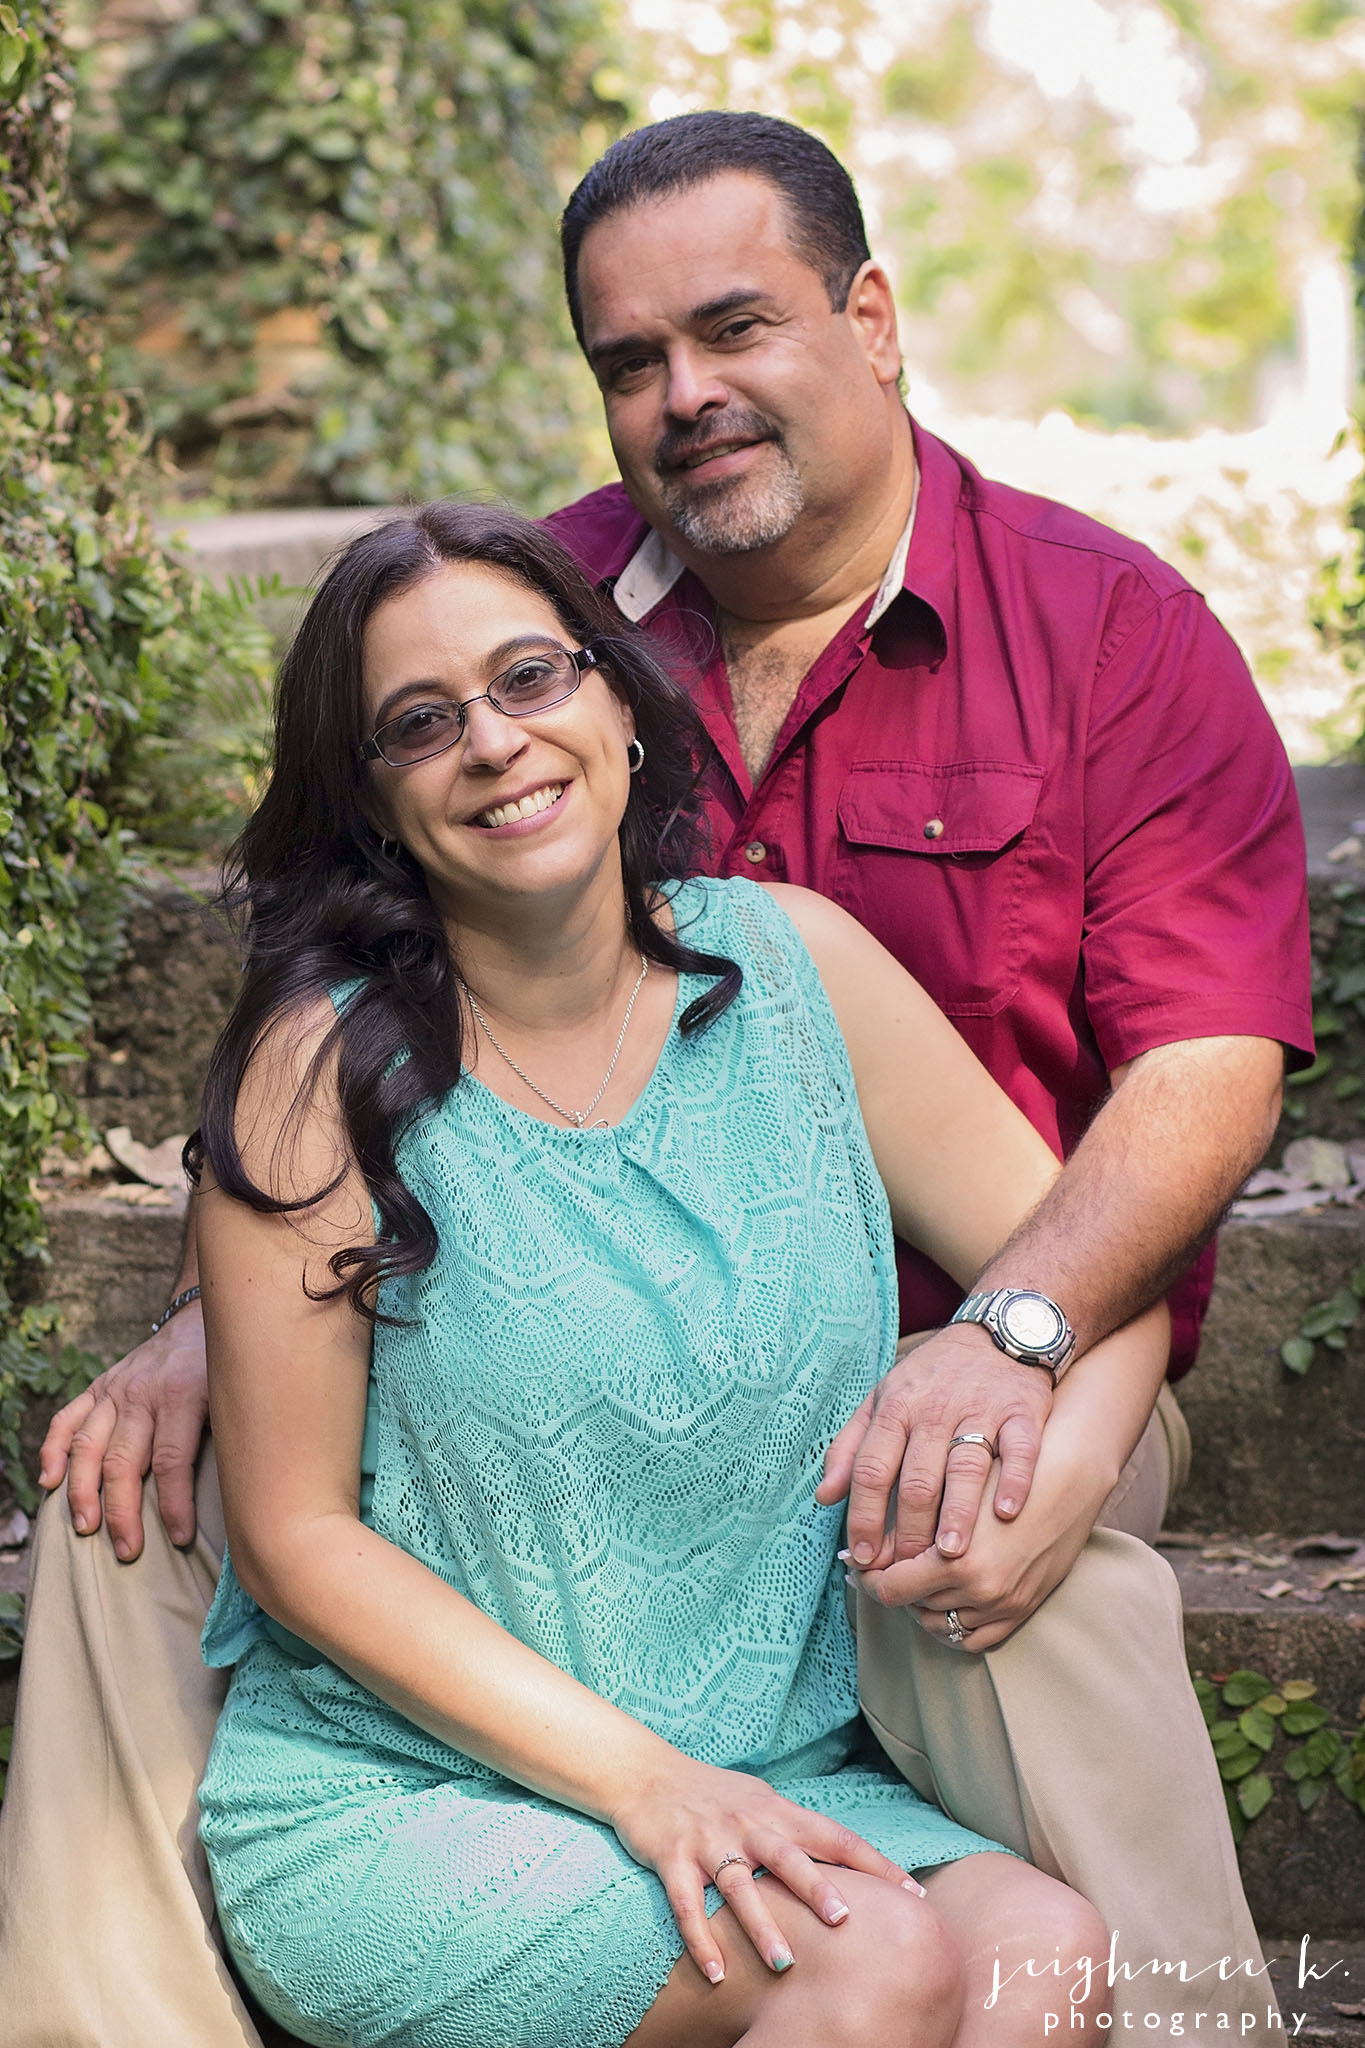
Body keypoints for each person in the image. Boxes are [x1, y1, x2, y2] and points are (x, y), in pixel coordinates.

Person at [0, 113, 1305, 2045]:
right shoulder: (553, 601)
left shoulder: (1107, 635)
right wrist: (255, 1288)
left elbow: (1206, 1065)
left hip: (1006, 1318)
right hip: (519, 1357)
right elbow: (339, 983)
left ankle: (1201, 2023)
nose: (685, 397)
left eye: (735, 330)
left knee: (986, 1588)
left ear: (870, 319)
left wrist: (1029, 1342)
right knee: (146, 1486)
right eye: (631, 362)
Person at [193, 498, 1132, 2048]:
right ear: (369, 807)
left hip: (775, 1773)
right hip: (418, 1794)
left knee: (1049, 1954)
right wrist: (645, 1783)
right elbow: (295, 1541)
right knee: (872, 1964)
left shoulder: (799, 968)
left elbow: (1078, 1274)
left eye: (528, 679)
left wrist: (1045, 1416)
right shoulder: (322, 1067)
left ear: (620, 710)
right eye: (420, 724)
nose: (493, 742)